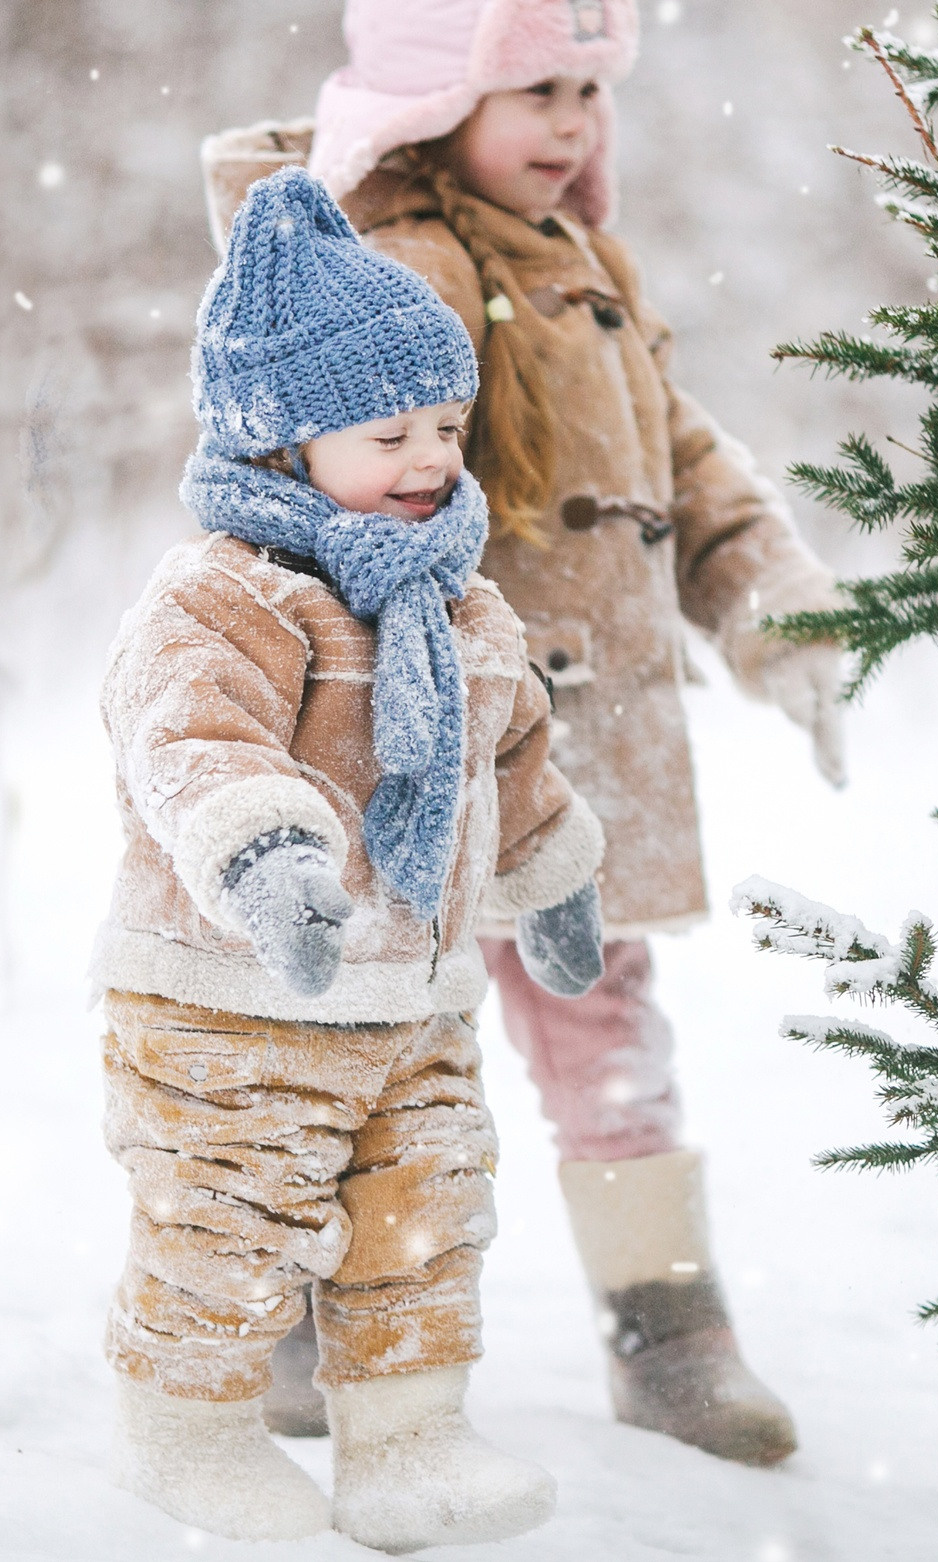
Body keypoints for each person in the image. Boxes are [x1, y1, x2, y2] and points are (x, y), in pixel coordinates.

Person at [200, 0, 845, 1469]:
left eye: (589, 90)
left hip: (576, 752)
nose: (571, 124)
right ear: (438, 99)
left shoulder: (583, 268)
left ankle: (669, 1329)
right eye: (535, 90)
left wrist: (774, 611)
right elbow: (327, 488)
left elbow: (683, 466)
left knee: (603, 1023)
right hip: (420, 744)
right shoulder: (404, 275)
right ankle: (304, 1303)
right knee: (368, 1031)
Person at [94, 165, 607, 1549]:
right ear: (281, 444)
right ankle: (187, 1433)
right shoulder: (228, 594)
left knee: (426, 1211)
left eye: (445, 422)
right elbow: (188, 739)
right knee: (228, 1215)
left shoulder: (461, 601)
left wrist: (555, 875)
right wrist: (265, 857)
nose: (433, 456)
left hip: (412, 999)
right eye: (388, 431)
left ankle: (409, 1442)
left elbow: (514, 755)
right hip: (231, 992)